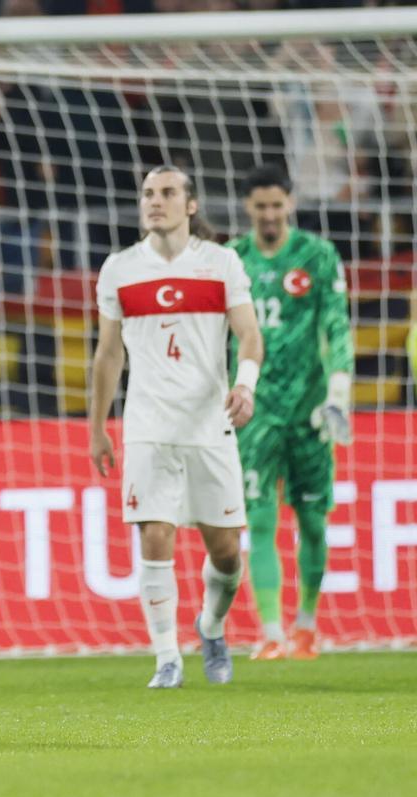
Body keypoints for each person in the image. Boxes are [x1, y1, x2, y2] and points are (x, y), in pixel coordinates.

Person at [89, 165, 263, 689]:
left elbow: (250, 337)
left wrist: (246, 384)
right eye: (148, 193)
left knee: (227, 552)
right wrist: (98, 426)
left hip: (210, 426)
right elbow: (107, 353)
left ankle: (210, 626)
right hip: (147, 425)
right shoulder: (119, 269)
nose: (155, 201)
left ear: (190, 205)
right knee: (155, 536)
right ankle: (167, 657)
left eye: (167, 193)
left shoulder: (221, 263)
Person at [228, 164, 353, 661]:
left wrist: (338, 394)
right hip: (255, 411)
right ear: (247, 208)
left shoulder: (317, 255)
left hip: (308, 411)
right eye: (261, 207)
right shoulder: (232, 259)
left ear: (290, 204)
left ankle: (305, 625)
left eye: (277, 205)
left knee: (314, 522)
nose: (269, 215)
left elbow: (338, 327)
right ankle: (272, 633)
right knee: (258, 521)